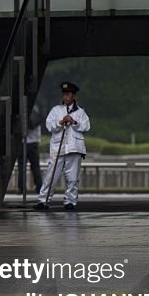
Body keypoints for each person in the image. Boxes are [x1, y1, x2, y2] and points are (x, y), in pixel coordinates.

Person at [35, 81, 90, 211]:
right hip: (58, 147)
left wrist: (74, 121)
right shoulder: (56, 110)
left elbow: (86, 127)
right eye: (64, 94)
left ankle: (70, 201)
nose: (65, 97)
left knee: (72, 177)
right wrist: (61, 122)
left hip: (74, 148)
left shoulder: (81, 112)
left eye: (68, 94)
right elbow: (49, 126)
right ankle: (44, 200)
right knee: (51, 175)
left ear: (74, 96)